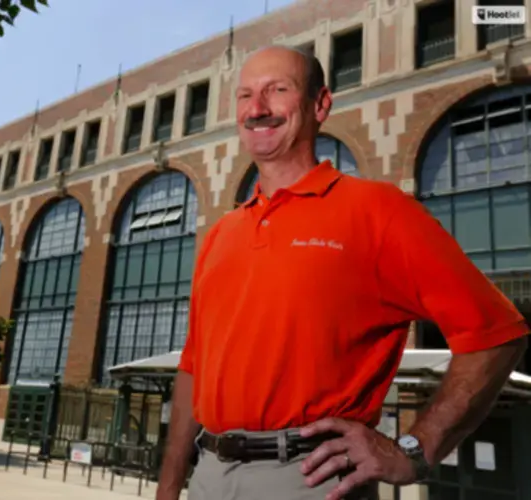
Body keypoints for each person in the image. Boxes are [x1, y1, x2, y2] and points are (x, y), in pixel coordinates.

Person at [155, 45, 529, 500]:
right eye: (245, 95)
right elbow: (193, 369)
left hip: (309, 480)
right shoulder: (221, 234)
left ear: (320, 105)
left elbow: (496, 334)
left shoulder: (378, 211)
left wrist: (416, 449)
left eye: (278, 90)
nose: (256, 109)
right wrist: (171, 484)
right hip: (208, 473)